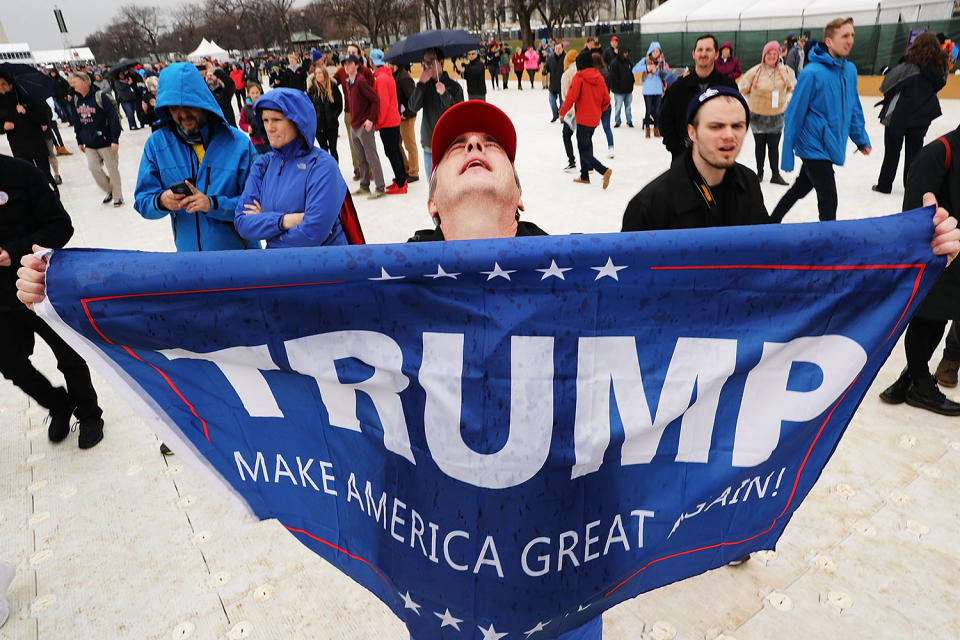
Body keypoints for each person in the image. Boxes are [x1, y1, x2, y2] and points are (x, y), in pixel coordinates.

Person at [1, 153, 104, 448]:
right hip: (1, 300)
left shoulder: (21, 174)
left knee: (68, 356)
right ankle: (58, 404)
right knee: (9, 363)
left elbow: (61, 226)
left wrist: (14, 251)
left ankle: (89, 414)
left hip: (40, 286)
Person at [134, 62, 258, 252]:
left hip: (240, 260)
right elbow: (142, 201)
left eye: (188, 105)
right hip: (191, 266)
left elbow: (258, 204)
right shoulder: (157, 145)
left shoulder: (237, 144)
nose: (182, 114)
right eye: (174, 107)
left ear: (202, 101)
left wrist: (213, 204)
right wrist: (161, 201)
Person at [879, 126, 960, 415]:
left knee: (939, 318)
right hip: (938, 253)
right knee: (928, 317)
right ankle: (921, 386)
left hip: (955, 253)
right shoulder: (939, 152)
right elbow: (914, 212)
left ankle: (909, 379)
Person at [622, 87, 769, 231]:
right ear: (692, 132)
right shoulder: (649, 206)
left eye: (737, 126)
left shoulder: (749, 182)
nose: (729, 135)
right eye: (716, 126)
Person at [770, 17, 871, 223]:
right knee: (828, 198)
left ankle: (770, 222)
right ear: (829, 41)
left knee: (800, 188)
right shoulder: (811, 73)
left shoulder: (850, 71)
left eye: (852, 35)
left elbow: (853, 108)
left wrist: (860, 139)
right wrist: (787, 153)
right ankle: (829, 241)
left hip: (831, 142)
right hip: (812, 143)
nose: (850, 40)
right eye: (844, 36)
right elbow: (794, 114)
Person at [234, 88, 347, 248]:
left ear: (298, 122)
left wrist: (266, 226)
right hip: (280, 267)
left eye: (277, 120)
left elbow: (312, 234)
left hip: (324, 267)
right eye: (265, 120)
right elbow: (242, 223)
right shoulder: (263, 164)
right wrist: (286, 221)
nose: (269, 127)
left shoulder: (322, 165)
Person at [873, 32, 948, 194]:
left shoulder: (908, 66)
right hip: (922, 116)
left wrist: (888, 71)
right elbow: (939, 85)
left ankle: (884, 185)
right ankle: (912, 188)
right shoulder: (940, 69)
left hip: (898, 116)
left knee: (892, 152)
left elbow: (887, 86)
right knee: (915, 154)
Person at [659, 35, 738, 159]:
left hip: (719, 160)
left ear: (716, 54)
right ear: (693, 54)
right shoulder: (678, 88)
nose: (703, 53)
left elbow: (736, 120)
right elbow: (665, 121)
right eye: (700, 50)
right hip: (683, 161)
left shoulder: (728, 87)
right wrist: (677, 149)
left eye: (708, 50)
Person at [739, 41, 796, 185]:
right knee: (760, 145)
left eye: (774, 54)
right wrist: (751, 101)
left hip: (776, 116)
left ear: (778, 56)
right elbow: (743, 88)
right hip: (757, 116)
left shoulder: (786, 71)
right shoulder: (755, 71)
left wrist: (787, 100)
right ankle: (759, 173)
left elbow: (793, 87)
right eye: (769, 53)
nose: (771, 56)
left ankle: (775, 175)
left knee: (773, 146)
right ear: (764, 55)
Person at [67, 72, 124, 207]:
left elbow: (113, 118)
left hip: (106, 140)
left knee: (112, 169)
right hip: (89, 142)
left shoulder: (101, 96)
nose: (72, 85)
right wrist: (79, 140)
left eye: (74, 81)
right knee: (93, 168)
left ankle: (117, 196)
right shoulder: (76, 100)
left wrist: (115, 139)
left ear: (85, 82)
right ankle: (110, 190)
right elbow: (77, 121)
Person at [559, 50, 612, 189]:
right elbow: (606, 99)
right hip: (595, 120)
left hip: (582, 119)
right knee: (586, 144)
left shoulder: (579, 77)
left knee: (583, 149)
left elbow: (571, 97)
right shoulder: (599, 77)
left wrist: (562, 112)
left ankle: (603, 170)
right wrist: (599, 110)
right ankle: (584, 176)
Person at [408, 47, 464, 177]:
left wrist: (444, 94)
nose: (427, 67)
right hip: (429, 144)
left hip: (450, 145)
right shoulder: (425, 86)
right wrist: (421, 84)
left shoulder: (454, 87)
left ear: (442, 62)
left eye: (431, 62)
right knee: (432, 186)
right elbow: (412, 107)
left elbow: (459, 114)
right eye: (425, 63)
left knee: (450, 185)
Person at [0, 72, 57, 191]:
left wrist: (26, 111)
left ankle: (54, 199)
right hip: (18, 145)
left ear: (10, 84)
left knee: (45, 175)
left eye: (3, 84)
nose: (1, 87)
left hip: (36, 142)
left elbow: (44, 118)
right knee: (28, 176)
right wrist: (3, 126)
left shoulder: (27, 95)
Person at [342, 53, 386, 199]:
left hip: (364, 126)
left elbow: (375, 100)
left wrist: (370, 120)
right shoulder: (349, 82)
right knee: (360, 159)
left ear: (356, 65)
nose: (346, 66)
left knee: (371, 157)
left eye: (349, 63)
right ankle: (364, 186)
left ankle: (380, 188)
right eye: (345, 64)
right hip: (354, 126)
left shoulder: (360, 81)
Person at [334, 44, 376, 181]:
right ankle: (358, 169)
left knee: (367, 144)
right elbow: (332, 82)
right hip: (349, 112)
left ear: (359, 55)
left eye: (353, 52)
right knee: (354, 145)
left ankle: (370, 171)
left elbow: (373, 93)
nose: (350, 54)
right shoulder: (342, 71)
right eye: (348, 52)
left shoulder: (365, 72)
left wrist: (372, 116)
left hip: (364, 113)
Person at [369, 49, 407, 195]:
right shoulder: (386, 75)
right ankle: (400, 179)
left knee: (392, 152)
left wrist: (378, 122)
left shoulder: (381, 79)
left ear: (372, 61)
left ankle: (402, 183)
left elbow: (383, 104)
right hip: (392, 120)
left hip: (388, 122)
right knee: (394, 151)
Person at [306, 62, 343, 161]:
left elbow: (339, 105)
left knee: (333, 149)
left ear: (325, 74)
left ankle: (335, 172)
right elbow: (308, 107)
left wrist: (333, 116)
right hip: (319, 127)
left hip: (331, 125)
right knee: (323, 151)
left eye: (320, 73)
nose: (318, 75)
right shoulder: (312, 90)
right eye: (316, 73)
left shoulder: (333, 87)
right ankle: (327, 173)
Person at [391, 61, 420, 183]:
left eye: (391, 64)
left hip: (407, 117)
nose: (389, 66)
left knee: (410, 144)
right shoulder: (396, 76)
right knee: (397, 143)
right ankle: (406, 168)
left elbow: (414, 98)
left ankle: (414, 172)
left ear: (397, 64)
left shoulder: (403, 77)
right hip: (399, 116)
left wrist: (406, 113)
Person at [638, 41, 668, 138]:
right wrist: (647, 68)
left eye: (658, 51)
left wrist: (658, 70)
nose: (656, 53)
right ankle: (647, 129)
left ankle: (656, 129)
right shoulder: (645, 60)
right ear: (650, 51)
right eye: (654, 51)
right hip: (648, 91)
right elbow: (635, 69)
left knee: (657, 111)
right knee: (648, 110)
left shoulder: (662, 61)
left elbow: (665, 73)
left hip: (658, 90)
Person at [559, 49, 579, 173]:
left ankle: (572, 162)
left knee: (566, 135)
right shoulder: (582, 70)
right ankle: (589, 163)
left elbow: (566, 94)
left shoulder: (567, 74)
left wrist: (565, 111)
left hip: (572, 111)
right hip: (584, 109)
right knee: (584, 137)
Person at [239, 81, 271, 154]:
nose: (255, 95)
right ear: (249, 94)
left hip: (269, 138)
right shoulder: (245, 109)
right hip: (256, 141)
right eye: (252, 93)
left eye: (257, 92)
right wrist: (247, 127)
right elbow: (241, 123)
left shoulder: (265, 104)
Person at [609, 47, 635, 128]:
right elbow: (613, 77)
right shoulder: (614, 63)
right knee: (618, 107)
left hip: (628, 90)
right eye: (625, 52)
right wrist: (618, 86)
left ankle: (629, 121)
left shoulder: (628, 62)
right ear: (621, 52)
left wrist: (632, 81)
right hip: (619, 91)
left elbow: (632, 72)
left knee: (628, 107)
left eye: (627, 52)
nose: (626, 54)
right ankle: (617, 121)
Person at [544, 41, 567, 122]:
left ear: (562, 48)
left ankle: (562, 116)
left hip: (563, 85)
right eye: (556, 48)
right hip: (553, 84)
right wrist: (544, 70)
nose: (558, 50)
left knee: (562, 103)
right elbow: (546, 67)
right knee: (551, 100)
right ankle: (555, 115)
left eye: (559, 48)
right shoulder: (550, 58)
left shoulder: (566, 58)